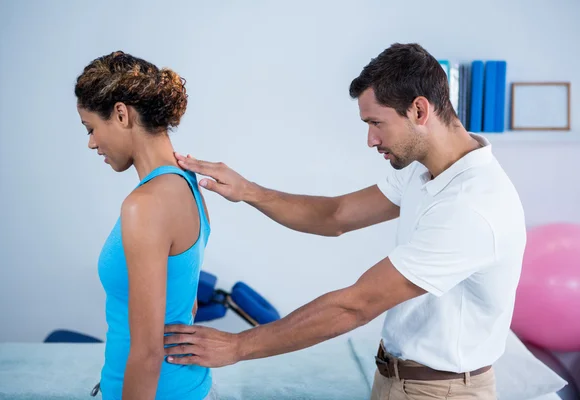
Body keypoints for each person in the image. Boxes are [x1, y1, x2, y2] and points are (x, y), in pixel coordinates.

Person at [163, 43, 527, 399]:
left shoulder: (472, 207)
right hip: (396, 375)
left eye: (376, 123)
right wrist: (249, 191)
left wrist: (238, 346)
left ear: (419, 110)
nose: (371, 140)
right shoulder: (423, 169)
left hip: (441, 391)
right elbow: (336, 215)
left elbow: (357, 304)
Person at [75, 51, 216, 400]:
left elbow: (148, 352)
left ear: (121, 114)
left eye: (91, 128)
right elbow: (188, 303)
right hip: (189, 387)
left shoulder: (146, 205)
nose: (92, 143)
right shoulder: (189, 183)